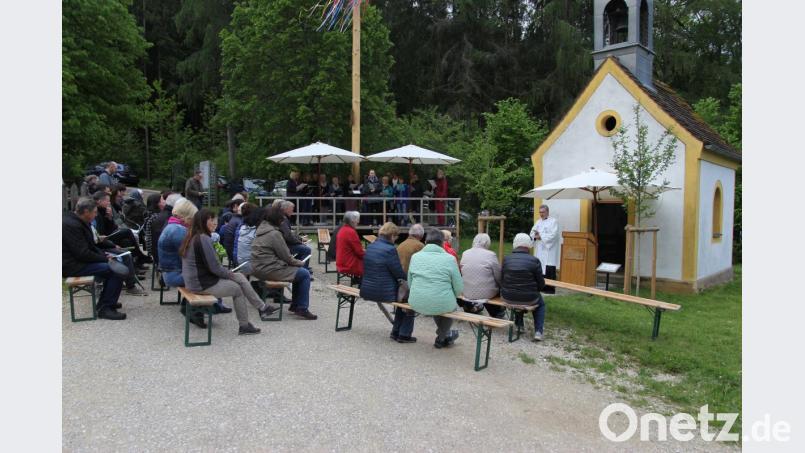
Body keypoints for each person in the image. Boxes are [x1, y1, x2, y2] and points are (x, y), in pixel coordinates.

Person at [180, 209, 280, 335]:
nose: (215, 223)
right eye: (211, 220)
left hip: (196, 280)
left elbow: (211, 266)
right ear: (202, 222)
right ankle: (246, 323)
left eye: (215, 219)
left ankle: (262, 308)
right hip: (200, 284)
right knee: (237, 289)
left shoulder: (193, 235)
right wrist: (229, 274)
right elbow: (214, 267)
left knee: (238, 276)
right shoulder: (203, 239)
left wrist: (229, 273)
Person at [63, 197, 127, 320]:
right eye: (95, 212)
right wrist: (104, 259)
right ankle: (106, 308)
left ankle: (106, 301)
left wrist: (105, 255)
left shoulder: (78, 221)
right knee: (116, 271)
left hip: (78, 261)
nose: (96, 214)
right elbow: (82, 253)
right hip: (72, 265)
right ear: (86, 211)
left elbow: (90, 246)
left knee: (116, 263)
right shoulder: (72, 225)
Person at [250, 207, 317, 319]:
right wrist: (300, 262)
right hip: (269, 269)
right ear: (277, 219)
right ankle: (301, 308)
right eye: (282, 219)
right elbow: (286, 257)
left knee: (298, 273)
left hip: (258, 268)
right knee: (304, 274)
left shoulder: (261, 230)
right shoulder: (274, 234)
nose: (283, 221)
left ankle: (296, 305)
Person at [360, 222, 416, 343]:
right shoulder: (390, 250)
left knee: (403, 298)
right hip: (383, 292)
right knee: (409, 297)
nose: (396, 239)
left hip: (367, 288)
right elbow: (398, 272)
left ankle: (396, 331)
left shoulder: (371, 246)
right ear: (392, 235)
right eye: (396, 236)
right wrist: (409, 280)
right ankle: (404, 334)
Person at [408, 227, 463, 348]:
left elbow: (410, 283)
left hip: (417, 300)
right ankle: (442, 336)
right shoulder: (450, 259)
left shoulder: (415, 257)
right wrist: (450, 294)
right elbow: (459, 287)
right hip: (441, 302)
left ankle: (445, 335)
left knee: (436, 301)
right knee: (446, 304)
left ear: (426, 242)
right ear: (443, 243)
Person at [501, 233, 547, 341]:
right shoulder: (534, 261)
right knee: (540, 304)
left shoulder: (506, 259)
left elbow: (502, 279)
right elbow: (541, 284)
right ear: (529, 246)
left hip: (508, 296)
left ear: (515, 245)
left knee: (518, 294)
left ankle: (520, 325)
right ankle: (538, 331)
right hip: (528, 297)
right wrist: (536, 289)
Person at [459, 233, 504, 317]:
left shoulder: (465, 253)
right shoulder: (491, 255)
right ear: (487, 243)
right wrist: (501, 286)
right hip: (487, 293)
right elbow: (498, 276)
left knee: (484, 289)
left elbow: (462, 272)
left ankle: (470, 308)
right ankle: (497, 313)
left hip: (467, 292)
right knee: (494, 291)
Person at [529, 204, 560, 294]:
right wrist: (535, 236)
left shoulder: (553, 221)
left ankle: (550, 289)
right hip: (540, 249)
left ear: (547, 212)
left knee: (548, 267)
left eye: (543, 212)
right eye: (540, 212)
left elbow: (553, 235)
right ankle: (541, 287)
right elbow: (532, 233)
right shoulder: (538, 222)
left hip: (549, 250)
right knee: (540, 267)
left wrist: (541, 236)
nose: (541, 214)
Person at [278, 201, 312, 270]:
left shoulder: (284, 217)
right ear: (286, 209)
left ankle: (297, 267)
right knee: (306, 249)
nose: (293, 211)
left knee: (304, 247)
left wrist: (300, 239)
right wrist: (300, 241)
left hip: (285, 243)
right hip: (285, 245)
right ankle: (303, 270)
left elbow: (289, 234)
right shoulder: (283, 219)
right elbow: (288, 236)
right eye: (291, 209)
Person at [335, 211, 365, 281]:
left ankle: (358, 280)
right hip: (348, 264)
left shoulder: (342, 229)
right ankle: (364, 286)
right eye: (357, 219)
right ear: (352, 221)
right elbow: (360, 253)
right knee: (371, 262)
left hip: (341, 261)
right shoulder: (351, 232)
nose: (358, 222)